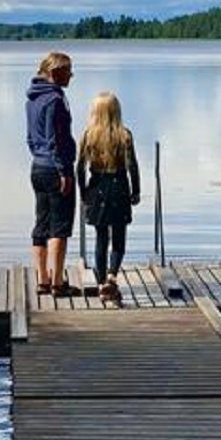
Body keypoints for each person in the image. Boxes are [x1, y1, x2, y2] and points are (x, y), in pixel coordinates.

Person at [76, 90, 141, 306]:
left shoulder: (88, 135)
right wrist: (136, 191)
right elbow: (133, 166)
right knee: (119, 238)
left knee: (101, 238)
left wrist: (83, 192)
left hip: (97, 188)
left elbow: (79, 168)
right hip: (120, 187)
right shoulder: (125, 135)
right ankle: (113, 275)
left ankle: (102, 280)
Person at [25, 51, 78, 296]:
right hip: (56, 169)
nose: (71, 75)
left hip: (37, 166)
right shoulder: (56, 99)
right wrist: (63, 170)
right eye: (68, 71)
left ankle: (42, 280)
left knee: (41, 224)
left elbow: (31, 137)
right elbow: (55, 137)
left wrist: (40, 157)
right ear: (55, 72)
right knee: (60, 227)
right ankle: (57, 283)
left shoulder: (32, 99)